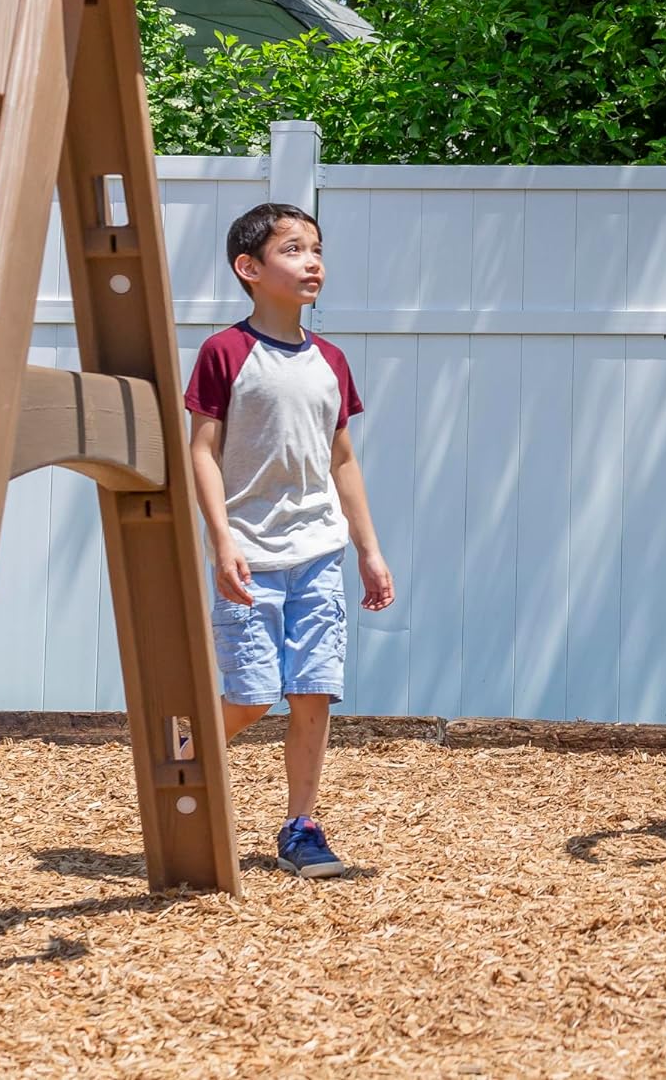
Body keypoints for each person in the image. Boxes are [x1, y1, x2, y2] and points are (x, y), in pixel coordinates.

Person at [185, 202, 395, 876]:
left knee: (312, 691)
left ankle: (300, 827)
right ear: (249, 268)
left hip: (318, 557)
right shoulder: (225, 352)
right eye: (294, 249)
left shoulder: (330, 360)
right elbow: (202, 453)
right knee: (249, 696)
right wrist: (222, 543)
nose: (313, 262)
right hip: (249, 555)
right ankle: (182, 766)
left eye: (317, 250)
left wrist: (368, 551)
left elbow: (342, 462)